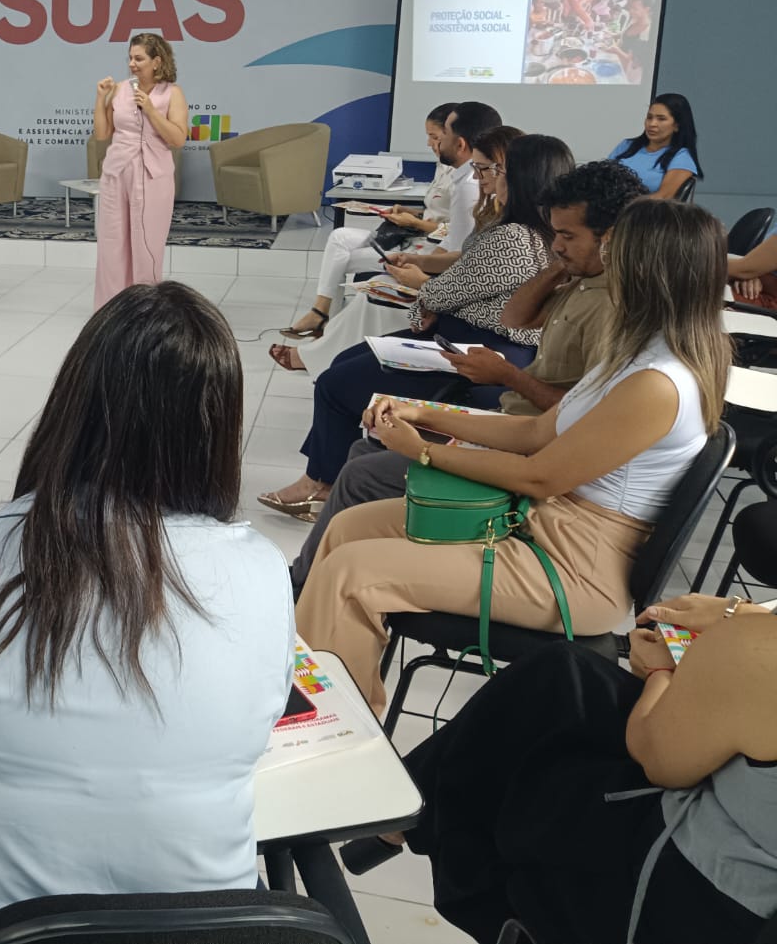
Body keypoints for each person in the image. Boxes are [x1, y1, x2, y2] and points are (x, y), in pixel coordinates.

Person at [0, 283, 294, 944]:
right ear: (217, 430)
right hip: (206, 930)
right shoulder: (262, 570)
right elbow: (256, 729)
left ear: (73, 405)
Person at [295, 198, 730, 718]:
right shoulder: (635, 352)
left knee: (352, 574)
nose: (603, 261)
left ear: (645, 271)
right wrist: (424, 414)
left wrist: (423, 451)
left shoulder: (657, 381)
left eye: (615, 252)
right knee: (349, 528)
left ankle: (332, 725)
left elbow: (540, 476)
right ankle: (325, 697)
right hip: (544, 526)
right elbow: (537, 431)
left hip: (575, 567)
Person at [287, 160, 649, 591]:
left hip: (529, 445)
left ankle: (306, 585)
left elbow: (572, 423)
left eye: (568, 237)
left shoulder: (611, 307)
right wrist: (557, 265)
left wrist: (502, 381)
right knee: (366, 448)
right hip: (516, 424)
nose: (558, 245)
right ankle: (324, 573)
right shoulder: (583, 280)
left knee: (362, 471)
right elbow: (517, 315)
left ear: (610, 238)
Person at [353, 591, 777, 942]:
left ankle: (418, 829)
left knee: (513, 761)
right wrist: (739, 615)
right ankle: (402, 812)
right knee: (563, 673)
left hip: (690, 896)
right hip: (742, 859)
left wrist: (660, 671)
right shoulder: (754, 640)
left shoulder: (757, 648)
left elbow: (656, 757)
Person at [261, 134, 572, 519]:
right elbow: (464, 283)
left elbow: (441, 293)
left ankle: (321, 485)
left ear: (522, 177)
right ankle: (332, 476)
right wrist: (431, 296)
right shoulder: (540, 235)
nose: (487, 178)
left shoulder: (514, 237)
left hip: (477, 351)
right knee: (343, 363)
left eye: (496, 170)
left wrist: (425, 296)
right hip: (470, 338)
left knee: (335, 383)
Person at [280, 103, 458, 340]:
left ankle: (323, 318)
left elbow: (455, 232)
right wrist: (411, 213)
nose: (429, 143)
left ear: (453, 138)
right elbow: (437, 211)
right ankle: (323, 315)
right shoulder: (443, 165)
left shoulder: (465, 180)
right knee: (339, 237)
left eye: (434, 137)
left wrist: (416, 223)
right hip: (411, 234)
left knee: (341, 260)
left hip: (426, 248)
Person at [90, 34, 189, 309]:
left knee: (147, 245)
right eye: (130, 58)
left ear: (156, 61)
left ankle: (145, 309)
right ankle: (111, 308)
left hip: (152, 175)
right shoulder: (120, 89)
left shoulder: (172, 93)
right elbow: (102, 134)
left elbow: (177, 139)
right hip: (117, 172)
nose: (132, 64)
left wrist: (151, 110)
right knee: (112, 243)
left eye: (139, 58)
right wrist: (100, 98)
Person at [607, 92, 701, 199]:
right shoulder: (626, 145)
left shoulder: (681, 157)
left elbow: (663, 197)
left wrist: (623, 204)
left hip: (643, 209)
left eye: (661, 119)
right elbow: (601, 179)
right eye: (649, 117)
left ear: (677, 126)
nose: (652, 124)